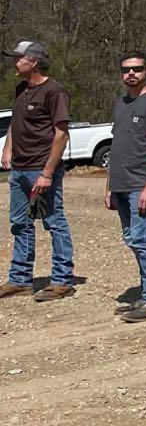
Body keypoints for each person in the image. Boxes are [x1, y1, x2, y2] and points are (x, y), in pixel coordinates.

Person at [2, 39, 76, 302]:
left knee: (54, 222)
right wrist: (7, 149)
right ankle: (20, 279)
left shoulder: (54, 92)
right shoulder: (21, 89)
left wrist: (47, 173)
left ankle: (62, 280)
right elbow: (15, 123)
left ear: (33, 62)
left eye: (19, 58)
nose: (14, 62)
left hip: (41, 170)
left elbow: (61, 135)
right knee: (20, 224)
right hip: (20, 170)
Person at [104, 51, 146, 321]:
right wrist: (109, 186)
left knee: (144, 240)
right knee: (133, 239)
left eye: (137, 68)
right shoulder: (122, 104)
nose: (131, 73)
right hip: (121, 186)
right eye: (126, 69)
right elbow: (118, 147)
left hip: (141, 186)